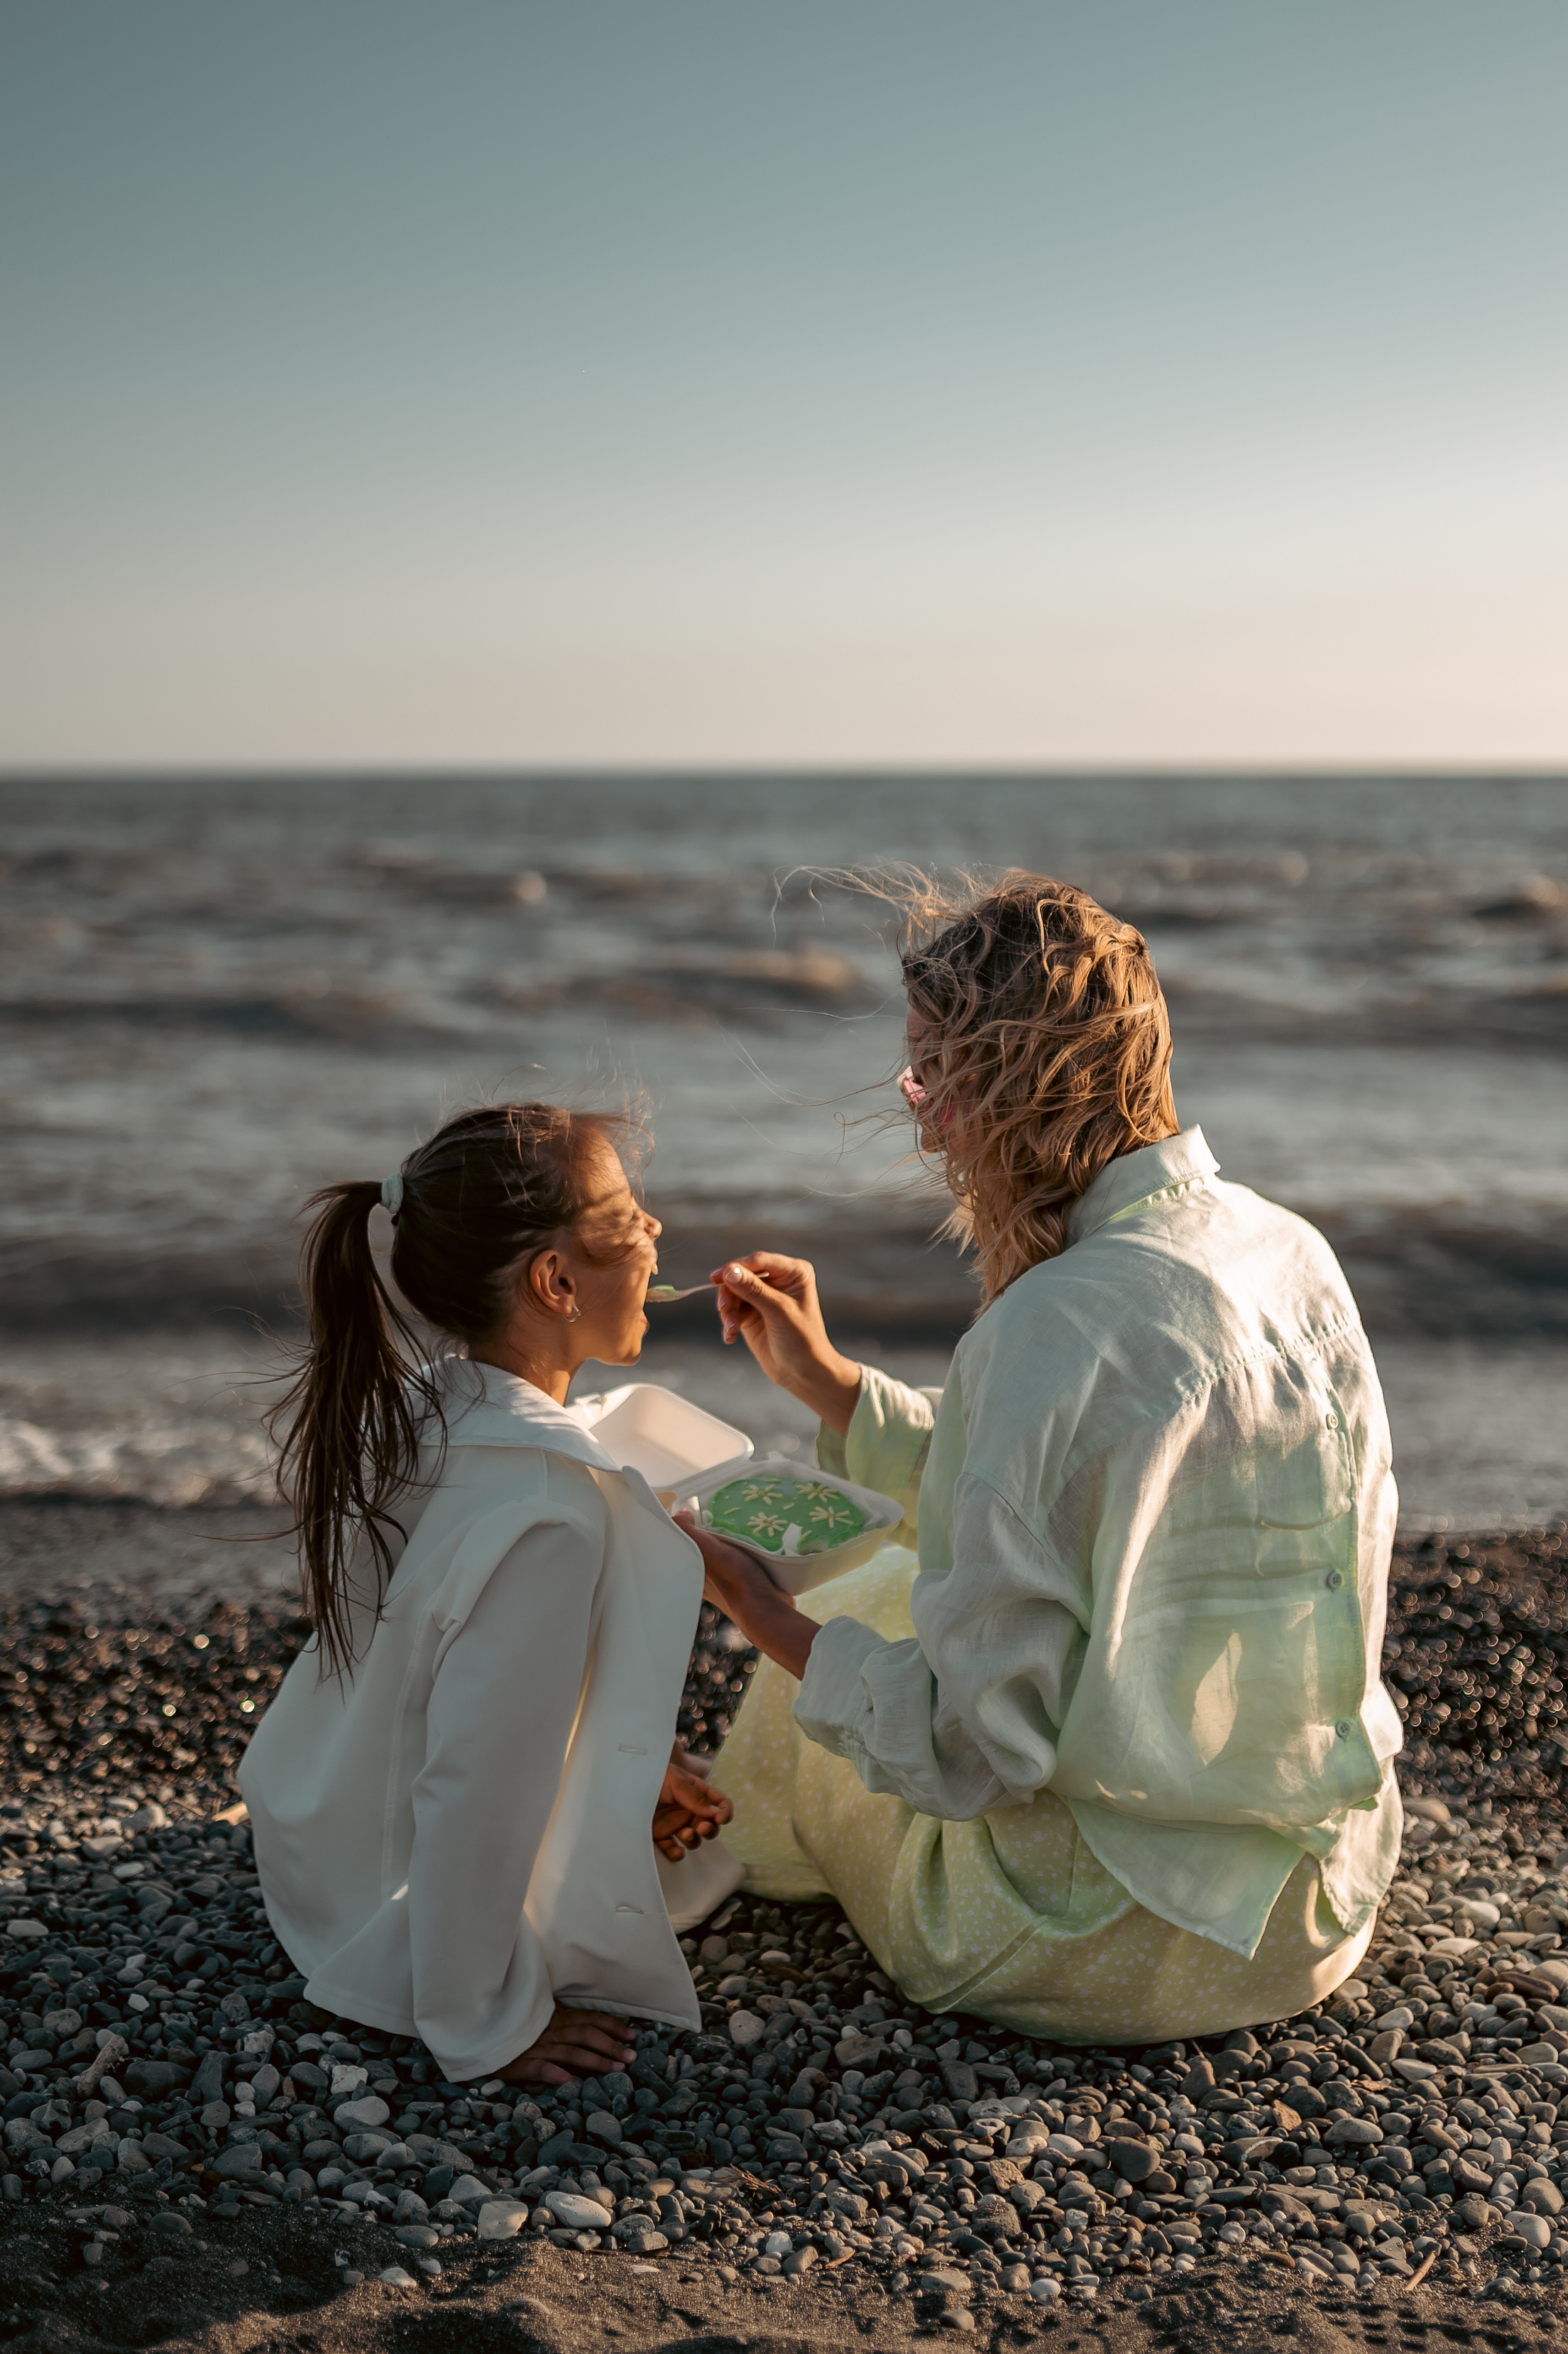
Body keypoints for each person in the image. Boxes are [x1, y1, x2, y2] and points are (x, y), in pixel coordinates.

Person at [679, 874, 1403, 2044]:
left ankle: (713, 1858)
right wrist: (833, 1385)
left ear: (1012, 1087)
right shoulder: (1285, 1248)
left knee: (837, 1633)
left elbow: (978, 1749)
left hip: (1104, 1940)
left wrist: (766, 1621)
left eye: (930, 1074)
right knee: (899, 1603)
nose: (918, 1117)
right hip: (1312, 1906)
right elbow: (1087, 1494)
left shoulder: (1049, 1326)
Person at [241, 1101, 734, 2087]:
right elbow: (475, 1780)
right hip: (386, 1910)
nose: (654, 1235)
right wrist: (482, 2019)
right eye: (625, 1221)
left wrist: (642, 1766)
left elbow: (447, 1686)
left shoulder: (426, 1408)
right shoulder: (552, 1511)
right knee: (737, 1857)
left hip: (316, 1837)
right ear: (555, 1281)